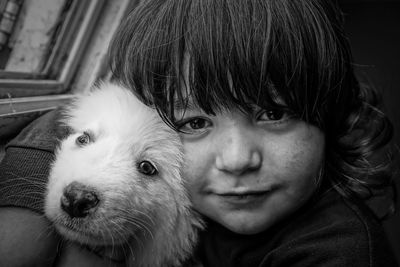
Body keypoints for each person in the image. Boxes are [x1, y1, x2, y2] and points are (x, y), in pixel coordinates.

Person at [0, 0, 398, 266]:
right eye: (194, 123)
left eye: (274, 113)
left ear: (331, 112)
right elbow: (71, 121)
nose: (238, 158)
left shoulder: (342, 251)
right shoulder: (195, 190)